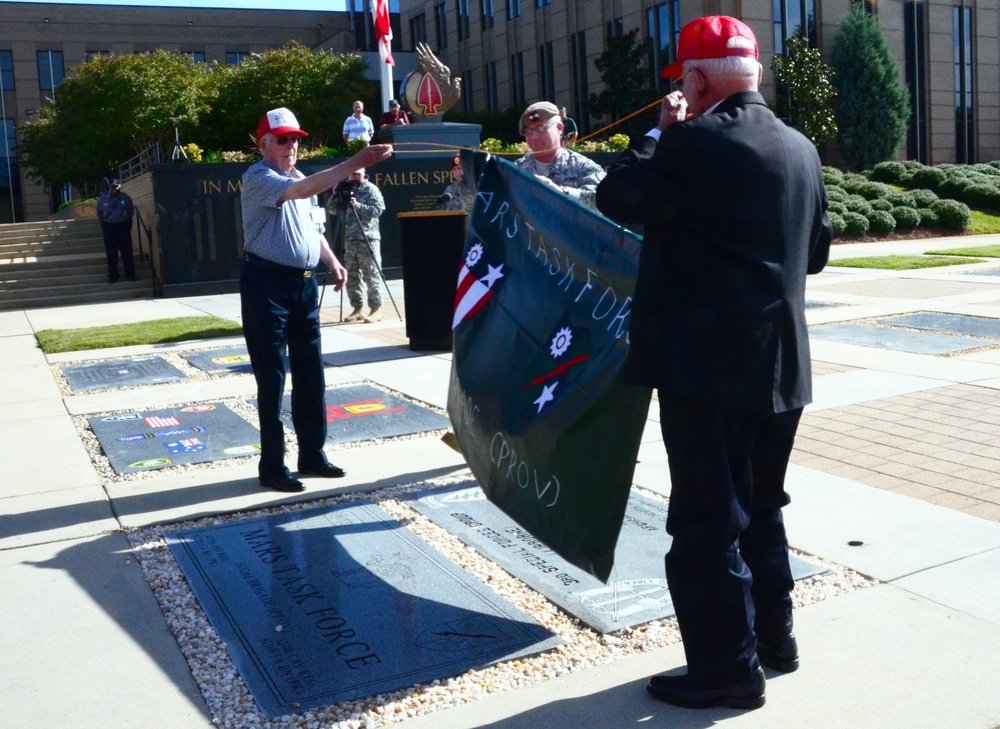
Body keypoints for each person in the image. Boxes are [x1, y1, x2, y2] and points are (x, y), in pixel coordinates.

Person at [595, 16, 831, 711]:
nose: (684, 97)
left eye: (685, 86)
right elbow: (813, 253)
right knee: (762, 505)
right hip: (782, 368)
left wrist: (657, 133)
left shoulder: (690, 142)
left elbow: (618, 194)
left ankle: (727, 668)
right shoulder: (802, 148)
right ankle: (772, 640)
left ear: (696, 80)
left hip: (708, 367)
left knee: (704, 521)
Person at [240, 106, 392, 493]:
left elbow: (313, 228)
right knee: (272, 375)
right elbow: (301, 192)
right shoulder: (258, 177)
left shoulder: (301, 177)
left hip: (303, 285)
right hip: (267, 283)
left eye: (295, 139)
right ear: (264, 145)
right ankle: (272, 465)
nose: (291, 146)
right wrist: (356, 161)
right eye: (283, 139)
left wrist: (333, 261)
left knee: (310, 372)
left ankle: (312, 453)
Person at [515, 101, 605, 210]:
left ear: (559, 129)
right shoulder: (516, 170)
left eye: (540, 128)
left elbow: (603, 200)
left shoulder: (583, 167)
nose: (534, 136)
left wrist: (560, 193)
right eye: (528, 131)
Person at [327, 167, 386, 323]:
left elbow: (377, 210)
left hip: (368, 238)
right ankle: (357, 308)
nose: (355, 177)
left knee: (371, 275)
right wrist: (335, 195)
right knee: (352, 276)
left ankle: (376, 309)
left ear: (364, 174)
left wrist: (357, 204)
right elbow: (332, 210)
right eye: (352, 174)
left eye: (358, 174)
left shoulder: (371, 189)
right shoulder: (345, 189)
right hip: (349, 239)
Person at [95, 179, 136, 283]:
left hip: (123, 227)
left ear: (120, 187)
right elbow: (99, 213)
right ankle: (113, 275)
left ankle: (130, 274)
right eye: (113, 187)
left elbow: (130, 212)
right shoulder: (102, 199)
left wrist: (127, 225)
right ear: (109, 187)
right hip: (109, 228)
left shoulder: (125, 198)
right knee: (111, 253)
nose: (114, 189)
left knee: (127, 252)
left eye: (117, 187)